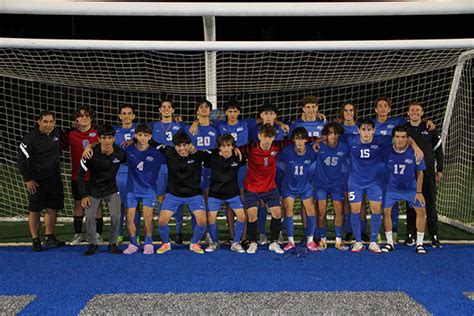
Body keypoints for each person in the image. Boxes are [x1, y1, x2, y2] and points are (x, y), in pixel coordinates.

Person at [345, 118, 418, 253]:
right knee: (355, 211)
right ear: (358, 130)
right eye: (363, 129)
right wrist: (317, 144)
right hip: (355, 182)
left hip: (375, 182)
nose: (366, 133)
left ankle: (373, 242)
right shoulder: (350, 140)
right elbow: (330, 137)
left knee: (376, 210)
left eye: (369, 130)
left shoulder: (381, 140)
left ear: (374, 130)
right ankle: (358, 241)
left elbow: (402, 138)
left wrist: (416, 147)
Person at [240, 124, 292, 254]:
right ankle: (253, 242)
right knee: (252, 215)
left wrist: (320, 139)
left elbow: (296, 140)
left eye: (270, 137)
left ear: (274, 137)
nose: (267, 140)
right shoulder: (250, 147)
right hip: (252, 187)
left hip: (269, 187)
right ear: (259, 136)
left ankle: (274, 242)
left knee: (277, 212)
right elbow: (234, 149)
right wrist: (235, 150)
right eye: (265, 137)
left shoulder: (277, 146)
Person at [17, 111, 66, 251]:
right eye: (45, 121)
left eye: (51, 122)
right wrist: (28, 179)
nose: (48, 125)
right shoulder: (30, 138)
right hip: (36, 181)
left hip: (54, 178)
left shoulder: (57, 133)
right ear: (38, 122)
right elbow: (21, 160)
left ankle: (49, 237)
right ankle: (35, 240)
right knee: (35, 210)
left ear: (55, 122)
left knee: (52, 208)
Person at [155, 132, 209, 255]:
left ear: (190, 145)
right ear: (174, 146)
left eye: (185, 145)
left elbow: (217, 151)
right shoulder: (169, 152)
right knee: (162, 221)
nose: (182, 149)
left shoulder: (199, 154)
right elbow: (152, 142)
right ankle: (165, 244)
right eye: (179, 146)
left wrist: (236, 148)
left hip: (194, 194)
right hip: (174, 194)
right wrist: (133, 140)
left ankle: (194, 243)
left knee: (202, 221)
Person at [77, 125, 127, 256]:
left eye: (109, 138)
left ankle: (113, 243)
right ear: (99, 139)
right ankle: (92, 244)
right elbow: (80, 175)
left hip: (111, 189)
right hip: (93, 190)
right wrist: (83, 195)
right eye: (103, 138)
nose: (106, 141)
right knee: (89, 217)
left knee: (116, 216)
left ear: (114, 139)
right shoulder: (90, 154)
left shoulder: (120, 153)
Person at [61, 105, 103, 245]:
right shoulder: (70, 134)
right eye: (80, 116)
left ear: (91, 118)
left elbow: (108, 142)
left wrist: (93, 145)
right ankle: (77, 235)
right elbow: (57, 147)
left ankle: (97, 234)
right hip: (77, 176)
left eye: (86, 115)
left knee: (97, 205)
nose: (84, 118)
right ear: (76, 119)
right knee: (78, 204)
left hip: (95, 176)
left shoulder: (98, 132)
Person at [382, 125, 427, 254]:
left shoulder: (415, 153)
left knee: (421, 210)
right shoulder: (387, 151)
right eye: (397, 137)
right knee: (386, 211)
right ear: (393, 138)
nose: (400, 140)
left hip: (410, 189)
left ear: (408, 139)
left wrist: (418, 192)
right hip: (392, 188)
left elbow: (420, 173)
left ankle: (419, 244)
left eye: (403, 137)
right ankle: (390, 242)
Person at [404, 101, 443, 248]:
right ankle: (410, 235)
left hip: (427, 174)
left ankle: (434, 236)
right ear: (408, 113)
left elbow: (438, 150)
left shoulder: (429, 128)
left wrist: (440, 169)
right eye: (412, 110)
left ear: (422, 113)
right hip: (409, 173)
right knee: (411, 205)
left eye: (417, 110)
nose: (414, 112)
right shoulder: (404, 129)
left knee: (430, 205)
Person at [122, 124, 165, 255]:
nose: (142, 138)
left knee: (148, 217)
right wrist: (90, 145)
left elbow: (173, 158)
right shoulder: (128, 150)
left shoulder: (157, 154)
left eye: (145, 135)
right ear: (135, 136)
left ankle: (148, 242)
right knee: (129, 218)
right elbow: (109, 148)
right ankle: (134, 243)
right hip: (132, 190)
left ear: (150, 137)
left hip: (149, 190)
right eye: (140, 135)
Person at [249, 102, 287, 246]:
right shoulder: (254, 129)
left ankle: (278, 233)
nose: (269, 116)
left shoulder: (282, 129)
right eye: (266, 113)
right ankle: (262, 233)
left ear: (275, 116)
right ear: (261, 115)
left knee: (278, 202)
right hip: (260, 171)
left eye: (272, 114)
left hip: (278, 170)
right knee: (261, 203)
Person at [277, 127, 319, 252]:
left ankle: (310, 241)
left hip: (305, 186)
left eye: (302, 139)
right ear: (293, 140)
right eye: (297, 139)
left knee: (311, 210)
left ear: (306, 140)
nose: (299, 142)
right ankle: (290, 241)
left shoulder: (312, 152)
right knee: (288, 210)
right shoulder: (286, 151)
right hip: (289, 186)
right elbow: (278, 165)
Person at [149, 99, 185, 243]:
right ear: (159, 110)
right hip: (159, 168)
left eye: (169, 107)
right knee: (161, 198)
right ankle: (163, 230)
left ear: (173, 110)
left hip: (175, 167)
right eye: (163, 107)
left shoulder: (179, 127)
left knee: (178, 197)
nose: (166, 109)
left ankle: (179, 231)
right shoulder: (153, 126)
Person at [204, 134, 246, 253]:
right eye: (223, 146)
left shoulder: (238, 156)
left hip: (232, 193)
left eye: (229, 146)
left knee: (242, 216)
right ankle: (214, 242)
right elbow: (200, 153)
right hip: (215, 193)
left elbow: (249, 150)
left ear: (233, 147)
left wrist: (239, 150)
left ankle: (236, 242)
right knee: (211, 217)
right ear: (219, 148)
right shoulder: (212, 157)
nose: (226, 148)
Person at [312, 122, 350, 250]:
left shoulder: (344, 147)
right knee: (321, 211)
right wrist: (320, 139)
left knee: (339, 210)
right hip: (320, 184)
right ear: (326, 135)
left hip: (337, 184)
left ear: (338, 134)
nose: (332, 136)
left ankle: (339, 239)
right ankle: (323, 239)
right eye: (329, 133)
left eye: (335, 133)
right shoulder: (318, 146)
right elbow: (307, 146)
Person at [113, 104, 140, 245]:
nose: (127, 116)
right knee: (121, 205)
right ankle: (119, 234)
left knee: (134, 205)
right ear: (120, 116)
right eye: (124, 113)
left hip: (137, 172)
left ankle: (135, 234)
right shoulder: (115, 131)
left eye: (129, 113)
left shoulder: (140, 130)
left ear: (134, 116)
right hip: (120, 172)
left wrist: (135, 140)